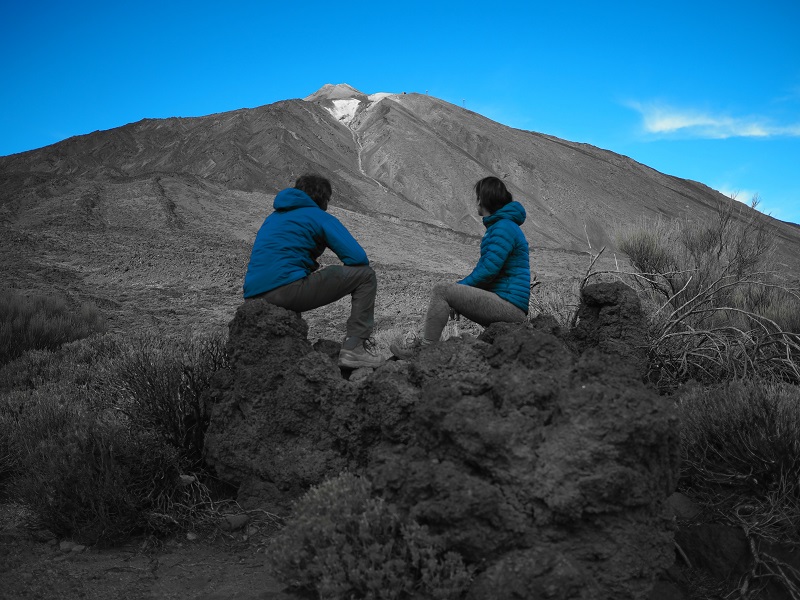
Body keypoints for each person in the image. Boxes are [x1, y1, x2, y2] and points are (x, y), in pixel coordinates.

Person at [243, 173, 383, 368]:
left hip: (252, 300)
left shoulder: (272, 218)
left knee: (294, 279)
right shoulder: (318, 216)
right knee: (366, 276)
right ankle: (355, 347)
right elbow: (358, 258)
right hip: (287, 292)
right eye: (328, 200)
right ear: (324, 199)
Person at [390, 176, 530, 358]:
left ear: (485, 199)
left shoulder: (503, 227)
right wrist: (460, 297)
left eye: (478, 197)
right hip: (508, 305)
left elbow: (488, 270)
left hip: (510, 309)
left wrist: (459, 290)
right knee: (450, 293)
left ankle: (425, 352)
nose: (476, 201)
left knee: (442, 291)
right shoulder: (502, 226)